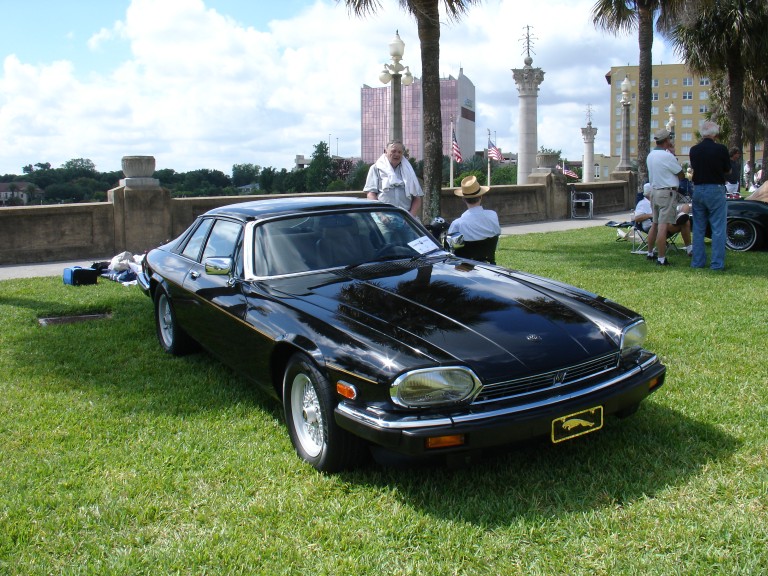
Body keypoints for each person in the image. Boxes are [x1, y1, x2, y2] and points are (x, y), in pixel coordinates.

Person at [689, 120, 730, 271]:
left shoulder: (694, 150)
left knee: (699, 227)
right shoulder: (721, 149)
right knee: (718, 227)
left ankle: (697, 262)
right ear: (715, 134)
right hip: (715, 188)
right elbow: (727, 169)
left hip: (698, 189)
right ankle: (717, 264)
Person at [645, 128, 684, 266]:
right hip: (667, 192)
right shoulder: (667, 156)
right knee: (663, 226)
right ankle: (661, 258)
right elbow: (681, 173)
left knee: (654, 224)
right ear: (667, 140)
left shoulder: (650, 155)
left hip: (654, 191)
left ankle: (650, 252)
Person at [364, 140, 423, 220]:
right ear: (385, 151)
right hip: (384, 218)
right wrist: (381, 215)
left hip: (407, 218)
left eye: (399, 152)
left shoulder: (409, 171)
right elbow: (371, 194)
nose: (397, 154)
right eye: (393, 151)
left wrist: (410, 216)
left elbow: (417, 198)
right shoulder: (375, 168)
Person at [447, 176, 501, 263]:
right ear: (481, 196)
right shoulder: (493, 215)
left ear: (463, 199)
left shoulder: (457, 224)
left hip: (465, 269)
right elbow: (497, 233)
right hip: (489, 266)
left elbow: (450, 249)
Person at [635, 183, 692, 255]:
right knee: (684, 222)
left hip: (666, 220)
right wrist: (652, 215)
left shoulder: (659, 201)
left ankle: (680, 216)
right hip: (654, 226)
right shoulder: (643, 203)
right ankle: (689, 249)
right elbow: (637, 218)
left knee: (685, 209)